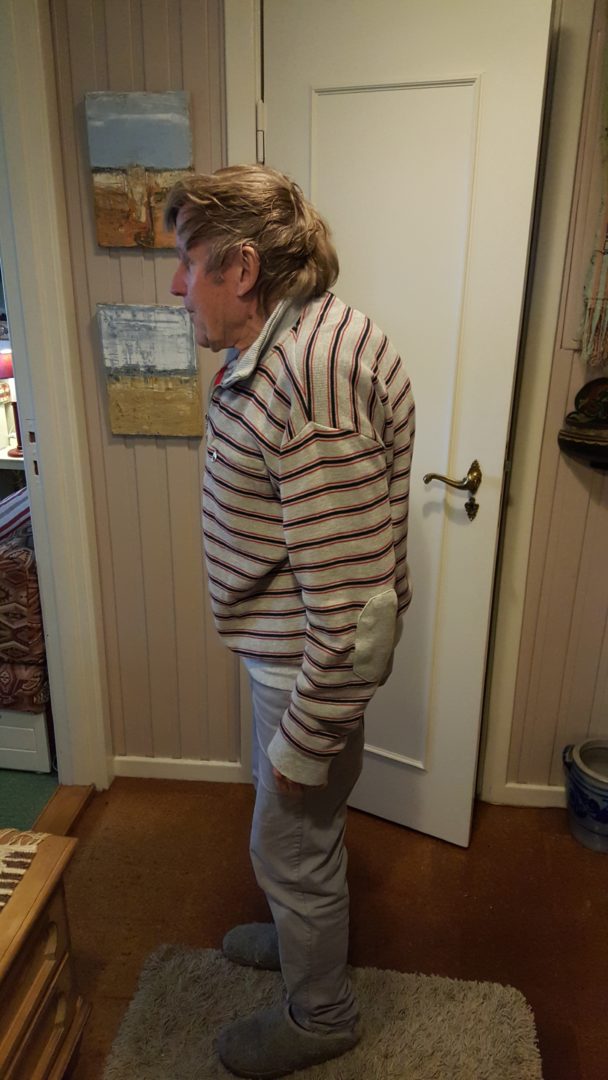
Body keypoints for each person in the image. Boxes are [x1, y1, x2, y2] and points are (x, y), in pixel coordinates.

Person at [165, 165, 415, 1079]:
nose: (177, 284)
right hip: (286, 656)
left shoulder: (307, 380)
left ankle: (323, 1016)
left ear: (240, 267)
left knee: (286, 839)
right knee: (303, 834)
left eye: (188, 261)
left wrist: (304, 741)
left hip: (305, 671)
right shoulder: (294, 342)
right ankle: (298, 930)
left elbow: (356, 619)